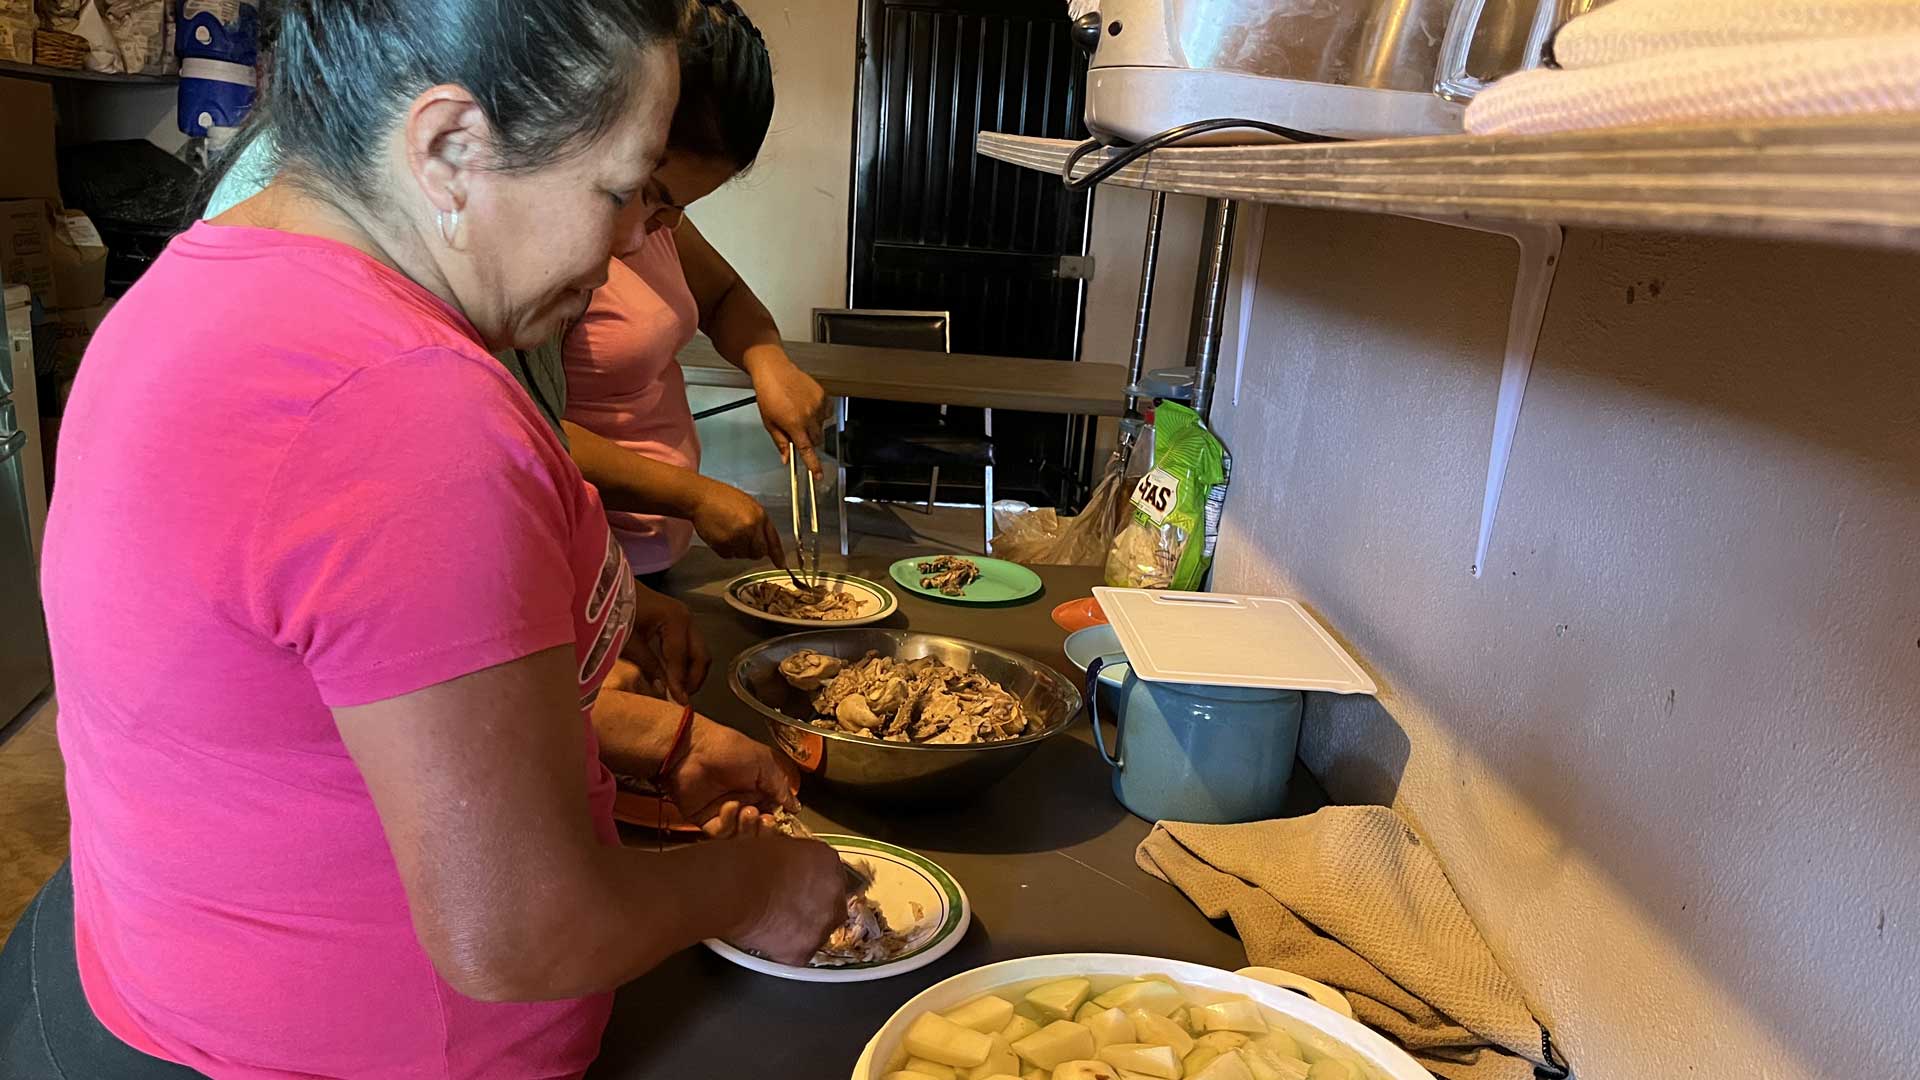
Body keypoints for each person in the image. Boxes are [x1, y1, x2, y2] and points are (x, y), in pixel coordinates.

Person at [0, 1, 846, 1077]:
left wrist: (649, 739)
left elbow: (307, 705)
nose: (641, 239)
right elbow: (523, 930)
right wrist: (758, 884)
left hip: (161, 988)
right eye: (627, 189)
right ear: (451, 148)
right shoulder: (403, 406)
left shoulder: (210, 278)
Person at [563, 0, 829, 580]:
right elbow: (521, 430)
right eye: (648, 191)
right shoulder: (552, 254)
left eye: (678, 206)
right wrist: (691, 494)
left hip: (652, 556)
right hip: (581, 561)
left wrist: (768, 361)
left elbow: (723, 295)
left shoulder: (657, 224)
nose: (642, 236)